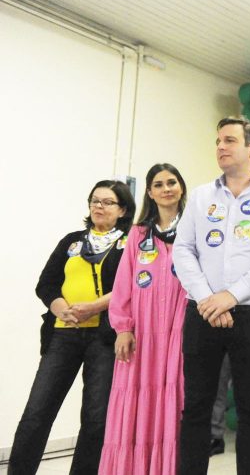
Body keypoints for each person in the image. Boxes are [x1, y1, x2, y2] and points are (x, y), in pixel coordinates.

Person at [173, 117, 250, 475]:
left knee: (249, 404)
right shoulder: (200, 196)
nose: (221, 147)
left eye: (229, 140)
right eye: (218, 141)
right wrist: (208, 299)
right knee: (195, 404)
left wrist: (231, 296)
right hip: (202, 311)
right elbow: (183, 250)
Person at [9, 180, 135, 475]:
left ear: (122, 209)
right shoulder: (72, 241)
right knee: (37, 412)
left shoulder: (129, 245)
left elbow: (130, 289)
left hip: (104, 338)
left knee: (95, 418)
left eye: (107, 202)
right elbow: (46, 283)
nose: (98, 207)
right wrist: (61, 308)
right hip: (63, 335)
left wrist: (93, 307)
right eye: (94, 201)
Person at [98, 164, 189, 474]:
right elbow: (123, 285)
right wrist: (123, 328)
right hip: (142, 334)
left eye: (172, 182)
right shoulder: (138, 235)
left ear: (181, 188)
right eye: (159, 184)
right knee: (134, 402)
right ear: (149, 192)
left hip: (178, 330)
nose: (166, 188)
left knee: (172, 400)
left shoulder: (194, 230)